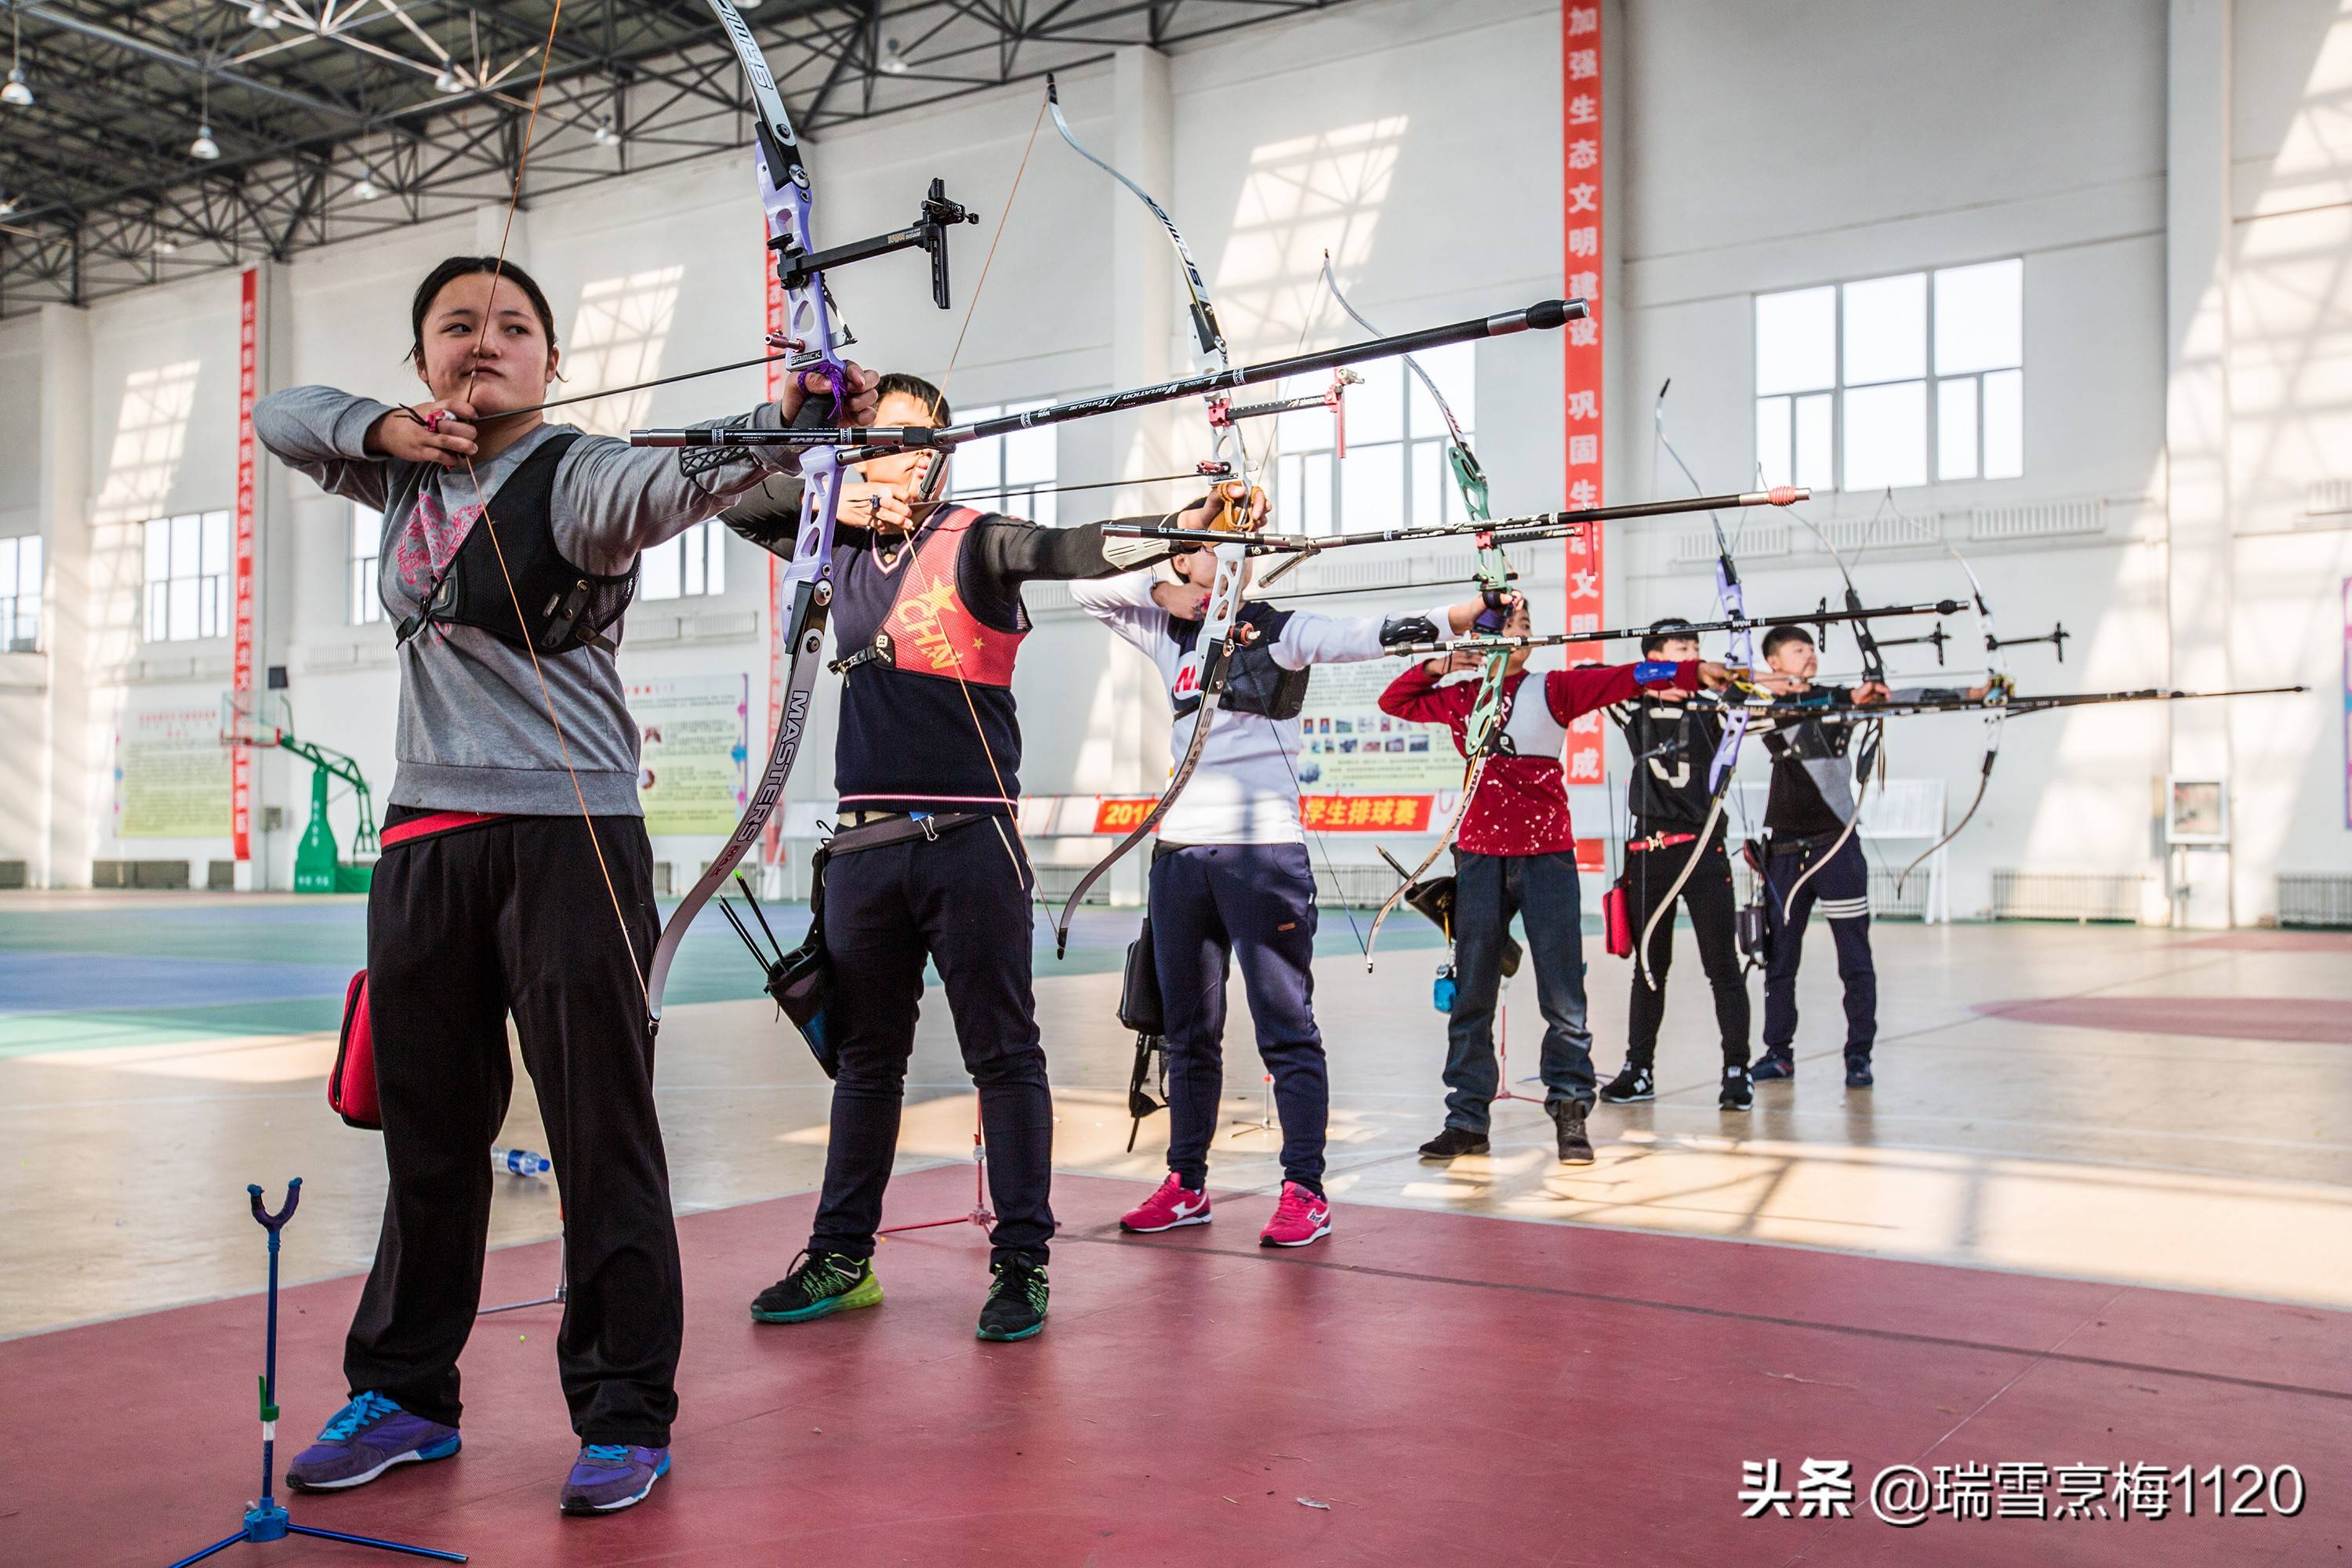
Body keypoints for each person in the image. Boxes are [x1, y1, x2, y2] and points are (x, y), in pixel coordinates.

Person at [254, 255, 877, 1515]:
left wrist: (798, 420)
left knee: (602, 1134)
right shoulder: (396, 471)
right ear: (422, 357)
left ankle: (624, 1410)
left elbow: (687, 473)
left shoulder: (581, 475)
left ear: (554, 361)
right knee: (432, 1139)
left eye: (514, 328)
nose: (485, 343)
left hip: (570, 839)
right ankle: (408, 1395)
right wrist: (388, 429)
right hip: (425, 837)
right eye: (456, 327)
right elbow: (279, 415)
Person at [720, 374, 1223, 1339]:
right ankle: (842, 1255)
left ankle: (1023, 1264)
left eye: (908, 441)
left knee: (1005, 1053)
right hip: (865, 848)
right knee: (867, 1062)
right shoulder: (834, 537)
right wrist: (825, 471)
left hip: (969, 840)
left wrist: (1177, 521)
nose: (888, 453)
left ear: (941, 452)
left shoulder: (975, 539)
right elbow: (740, 502)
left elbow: (1067, 546)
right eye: (868, 438)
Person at [1072, 554, 1491, 1246]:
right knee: (1186, 1033)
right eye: (1204, 545)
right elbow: (1086, 589)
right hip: (1180, 853)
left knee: (1285, 1028)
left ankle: (1305, 1189)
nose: (1224, 554)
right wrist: (1170, 585)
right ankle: (1187, 1184)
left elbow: (1367, 632)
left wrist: (1457, 616)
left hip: (1262, 853)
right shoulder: (1166, 627)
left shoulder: (1281, 630)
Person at [1378, 596, 1737, 1163]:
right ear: (1483, 639)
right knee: (1472, 994)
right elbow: (1394, 699)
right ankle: (1467, 1120)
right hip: (1479, 858)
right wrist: (1444, 663)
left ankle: (1571, 1114)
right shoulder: (1460, 698)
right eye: (1507, 628)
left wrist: (1690, 671)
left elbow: (1629, 677)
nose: (1521, 637)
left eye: (1526, 629)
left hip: (1546, 856)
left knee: (1563, 995)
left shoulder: (1554, 688)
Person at [1750, 624, 1983, 1088]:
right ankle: (1778, 1054)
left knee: (1855, 960)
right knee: (1780, 961)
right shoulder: (1760, 704)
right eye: (1799, 650)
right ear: (1775, 661)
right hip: (1783, 854)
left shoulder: (1840, 700)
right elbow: (1735, 681)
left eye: (1813, 648)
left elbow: (1900, 697)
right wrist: (1794, 688)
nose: (1810, 655)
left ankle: (1859, 1055)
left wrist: (1972, 692)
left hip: (1835, 848)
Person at [1601, 617, 1756, 1110]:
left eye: (1694, 646)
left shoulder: (1717, 708)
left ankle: (1737, 1069)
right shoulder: (1632, 705)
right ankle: (1638, 1069)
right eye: (1677, 646)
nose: (1690, 653)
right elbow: (1594, 674)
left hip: (1703, 848)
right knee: (1649, 966)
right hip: (1649, 853)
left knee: (1722, 966)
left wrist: (1740, 681)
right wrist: (1665, 675)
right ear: (1653, 656)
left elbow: (1775, 702)